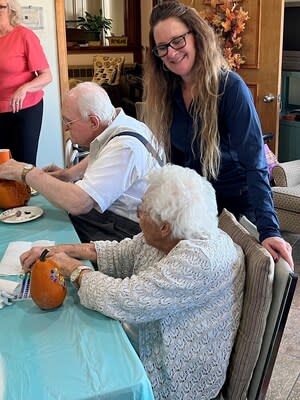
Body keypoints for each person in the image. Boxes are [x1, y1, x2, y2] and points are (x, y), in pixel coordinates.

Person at [20, 164, 245, 400]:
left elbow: (127, 300)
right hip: (149, 336)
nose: (137, 214)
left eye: (142, 211)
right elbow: (124, 253)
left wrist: (74, 270)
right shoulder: (176, 232)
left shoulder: (199, 259)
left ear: (165, 227)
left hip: (171, 376)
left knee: (68, 363)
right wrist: (62, 250)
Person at [142, 1, 293, 268]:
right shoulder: (169, 93)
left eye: (177, 41)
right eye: (163, 48)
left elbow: (255, 165)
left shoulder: (230, 88)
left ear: (196, 36)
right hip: (196, 215)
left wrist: (270, 231)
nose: (172, 53)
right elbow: (177, 168)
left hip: (236, 213)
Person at [0, 82, 164, 243]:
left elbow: (79, 203)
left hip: (130, 231)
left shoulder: (125, 147)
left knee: (46, 231)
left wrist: (27, 172)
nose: (65, 129)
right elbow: (104, 152)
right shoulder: (122, 124)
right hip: (119, 218)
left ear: (93, 122)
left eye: (68, 122)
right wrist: (70, 173)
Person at [0, 0, 52, 164]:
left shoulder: (24, 36)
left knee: (23, 165)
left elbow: (46, 76)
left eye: (0, 7)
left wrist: (25, 88)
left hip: (25, 110)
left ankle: (25, 191)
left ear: (11, 9)